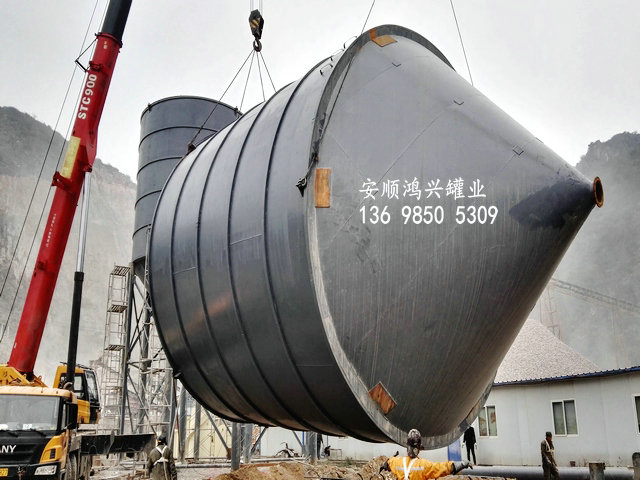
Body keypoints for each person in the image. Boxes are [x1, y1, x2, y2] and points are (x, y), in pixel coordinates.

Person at [380, 429, 471, 480]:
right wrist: (462, 464)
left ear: (407, 445)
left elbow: (388, 463)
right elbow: (441, 468)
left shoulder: (397, 462)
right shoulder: (424, 465)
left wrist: (385, 464)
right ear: (419, 448)